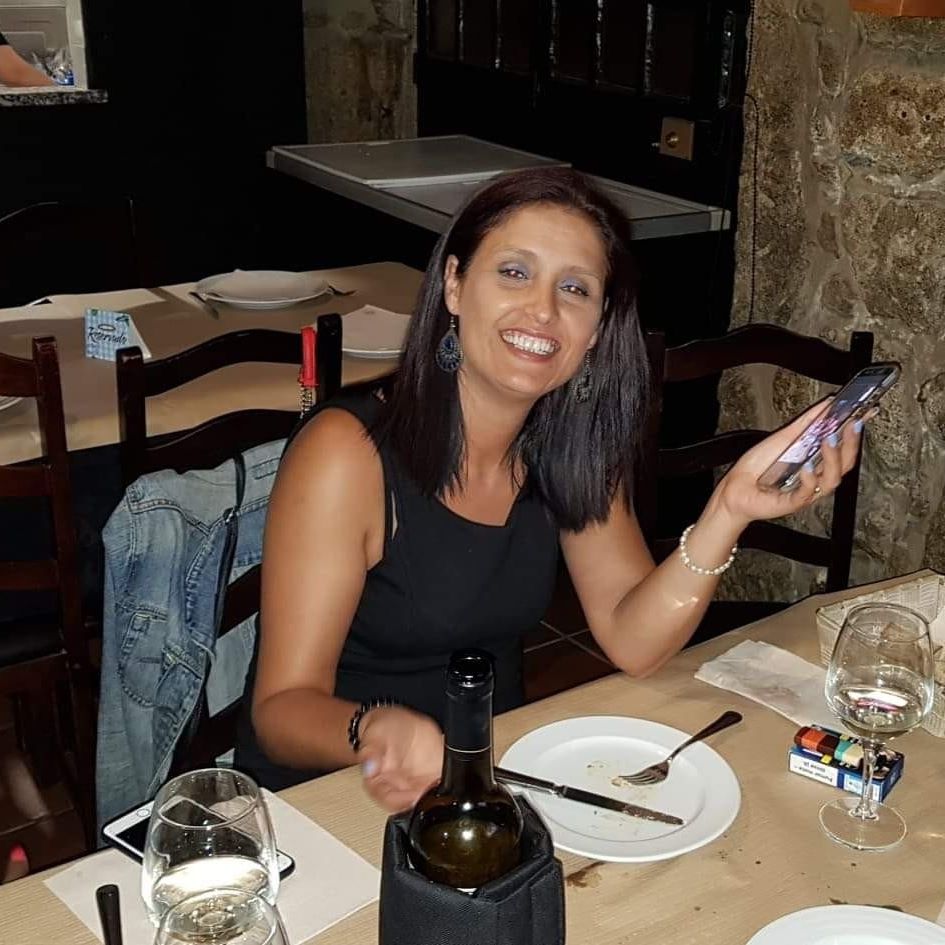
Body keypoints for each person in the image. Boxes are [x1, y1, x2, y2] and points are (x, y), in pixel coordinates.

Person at [235, 167, 867, 812]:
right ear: (454, 284)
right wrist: (373, 731)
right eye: (515, 272)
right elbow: (280, 712)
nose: (543, 309)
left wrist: (728, 510)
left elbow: (634, 641)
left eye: (574, 288)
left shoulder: (570, 443)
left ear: (596, 327)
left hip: (488, 780)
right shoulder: (347, 453)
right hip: (334, 794)